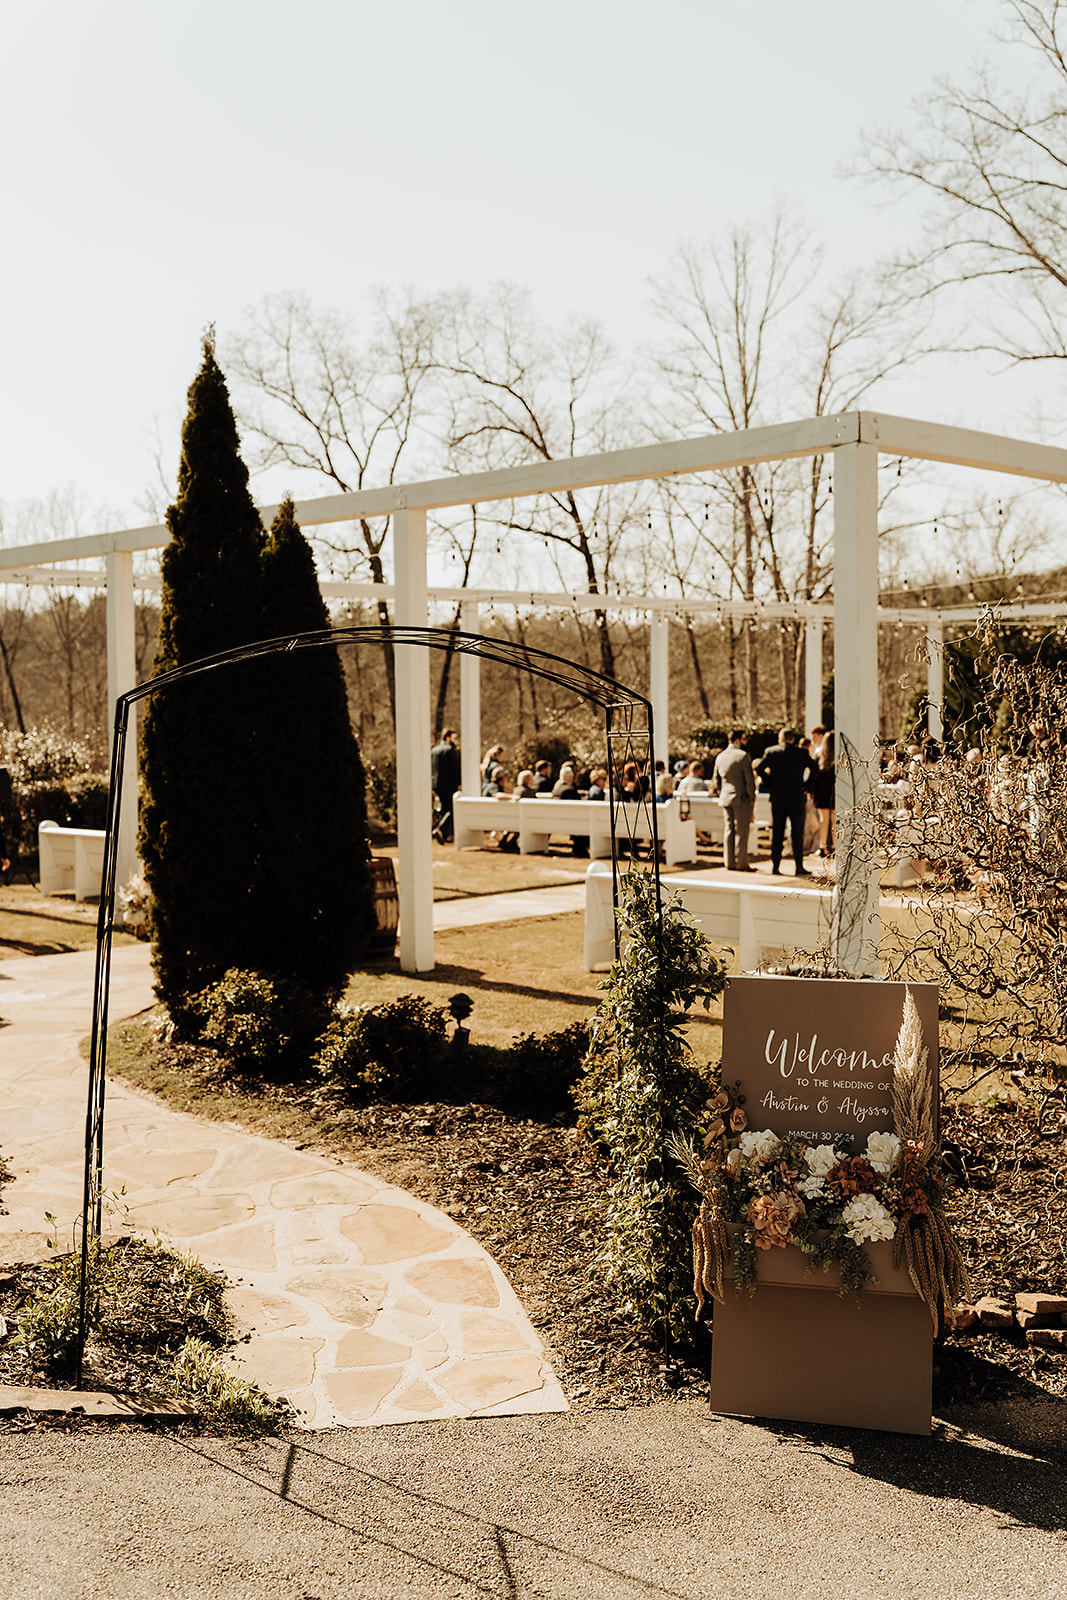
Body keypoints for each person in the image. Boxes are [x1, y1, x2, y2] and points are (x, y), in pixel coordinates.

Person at [757, 728, 814, 876]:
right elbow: (814, 768)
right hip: (796, 797)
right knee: (797, 833)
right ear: (793, 739)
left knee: (777, 833)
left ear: (780, 739)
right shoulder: (801, 753)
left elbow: (758, 767)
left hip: (778, 798)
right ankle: (799, 866)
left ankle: (775, 866)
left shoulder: (771, 752)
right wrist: (807, 786)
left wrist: (769, 782)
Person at [713, 730, 756, 872]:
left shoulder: (720, 757)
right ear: (737, 740)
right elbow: (749, 781)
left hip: (725, 797)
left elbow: (716, 780)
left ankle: (729, 862)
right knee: (742, 831)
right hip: (741, 798)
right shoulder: (743, 756)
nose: (745, 742)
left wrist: (721, 793)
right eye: (744, 739)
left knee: (729, 830)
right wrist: (752, 798)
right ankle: (741, 863)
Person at [430, 727, 461, 843]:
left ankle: (445, 836)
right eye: (454, 737)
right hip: (449, 785)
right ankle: (440, 829)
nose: (456, 740)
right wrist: (458, 783)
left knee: (444, 809)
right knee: (452, 809)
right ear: (448, 737)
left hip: (436, 784)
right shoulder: (450, 750)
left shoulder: (434, 750)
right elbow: (455, 769)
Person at [482, 763, 519, 851]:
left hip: (492, 816)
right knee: (518, 819)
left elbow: (511, 792)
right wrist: (511, 797)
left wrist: (507, 786)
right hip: (492, 818)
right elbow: (498, 795)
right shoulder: (494, 787)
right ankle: (508, 841)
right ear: (503, 778)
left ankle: (505, 841)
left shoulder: (493, 786)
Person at [811, 730, 836, 857]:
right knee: (834, 819)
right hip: (835, 791)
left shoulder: (819, 757)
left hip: (822, 791)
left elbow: (814, 776)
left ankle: (823, 846)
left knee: (823, 820)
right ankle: (835, 846)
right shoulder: (838, 759)